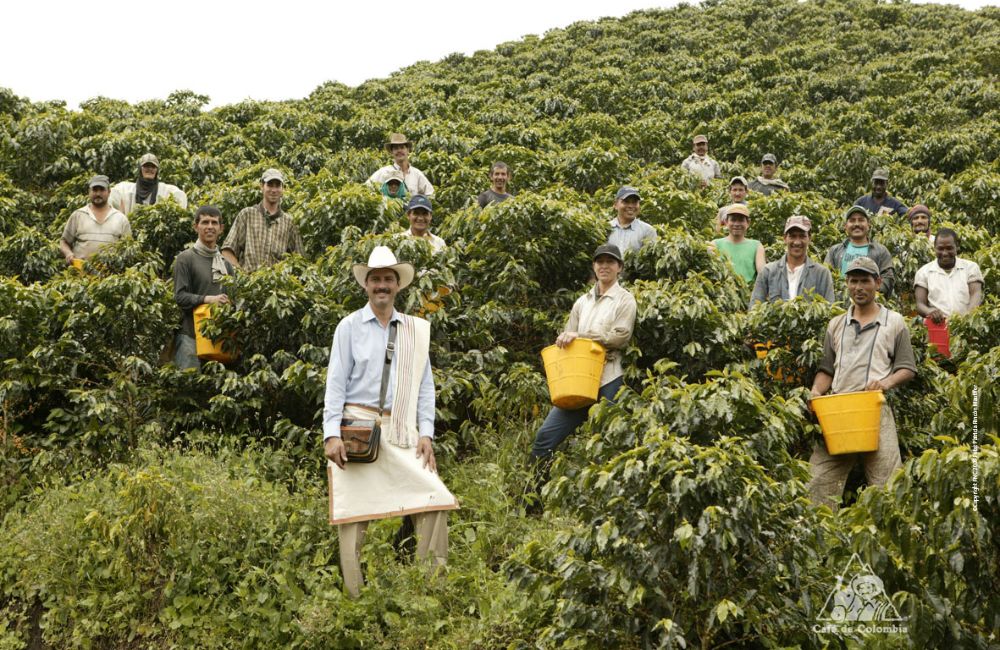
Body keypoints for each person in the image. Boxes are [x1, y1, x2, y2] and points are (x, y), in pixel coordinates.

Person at [323, 246, 458, 597]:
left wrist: (426, 433)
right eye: (375, 279)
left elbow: (425, 387)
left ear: (398, 286)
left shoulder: (414, 330)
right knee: (353, 517)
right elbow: (335, 384)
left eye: (387, 279)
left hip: (402, 431)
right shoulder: (349, 327)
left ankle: (428, 591)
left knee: (435, 499)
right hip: (359, 430)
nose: (381, 285)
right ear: (366, 285)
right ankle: (355, 599)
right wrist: (331, 435)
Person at [528, 244, 636, 507]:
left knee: (609, 443)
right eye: (600, 262)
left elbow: (620, 336)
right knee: (545, 438)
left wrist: (584, 336)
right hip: (579, 380)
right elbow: (569, 337)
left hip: (609, 378)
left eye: (611, 262)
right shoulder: (582, 302)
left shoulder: (625, 299)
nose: (605, 267)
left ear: (619, 268)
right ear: (594, 266)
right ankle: (531, 502)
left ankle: (611, 506)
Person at [808, 257, 917, 510]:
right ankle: (821, 541)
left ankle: (889, 542)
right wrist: (815, 391)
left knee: (890, 486)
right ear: (846, 284)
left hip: (875, 410)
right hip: (840, 412)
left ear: (877, 283)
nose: (859, 287)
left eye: (865, 281)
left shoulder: (895, 322)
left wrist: (884, 383)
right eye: (853, 281)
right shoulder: (835, 324)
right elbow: (826, 369)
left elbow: (907, 367)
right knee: (817, 482)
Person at [172, 206, 234, 370]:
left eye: (214, 223)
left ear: (221, 229)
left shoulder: (226, 264)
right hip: (190, 336)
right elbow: (180, 297)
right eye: (205, 222)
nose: (210, 227)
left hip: (218, 338)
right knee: (189, 385)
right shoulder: (185, 258)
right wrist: (208, 300)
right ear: (196, 226)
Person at [221, 168, 304, 272]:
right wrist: (241, 276)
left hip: (278, 286)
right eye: (270, 185)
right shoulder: (247, 215)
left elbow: (300, 261)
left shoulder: (289, 222)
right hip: (249, 285)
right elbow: (227, 251)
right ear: (262, 186)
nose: (273, 190)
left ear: (283, 189)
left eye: (277, 185)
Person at [750, 215, 835, 305]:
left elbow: (829, 309)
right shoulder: (768, 271)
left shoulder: (822, 273)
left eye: (802, 236)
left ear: (809, 238)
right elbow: (755, 307)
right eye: (792, 236)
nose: (797, 242)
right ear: (785, 238)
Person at [914, 228, 984, 323]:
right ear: (934, 248)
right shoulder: (923, 272)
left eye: (949, 248)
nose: (945, 253)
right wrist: (930, 311)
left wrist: (968, 317)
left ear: (957, 247)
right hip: (938, 328)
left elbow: (976, 294)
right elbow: (920, 304)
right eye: (940, 248)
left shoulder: (971, 268)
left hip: (966, 328)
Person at [59, 175, 132, 264]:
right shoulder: (78, 215)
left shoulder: (121, 218)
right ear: (89, 192)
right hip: (80, 272)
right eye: (95, 190)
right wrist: (68, 254)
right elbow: (64, 242)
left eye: (102, 190)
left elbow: (128, 248)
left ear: (109, 192)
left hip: (111, 274)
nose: (98, 194)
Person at [823, 206, 895, 297]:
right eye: (852, 220)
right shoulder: (834, 251)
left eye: (861, 220)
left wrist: (874, 295)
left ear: (869, 225)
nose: (856, 224)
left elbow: (888, 278)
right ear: (845, 226)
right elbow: (825, 277)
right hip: (839, 306)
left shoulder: (881, 251)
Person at [109, 153, 188, 214]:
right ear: (140, 169)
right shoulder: (126, 189)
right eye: (146, 166)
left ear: (157, 170)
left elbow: (179, 195)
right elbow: (112, 194)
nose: (149, 169)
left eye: (153, 167)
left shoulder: (165, 190)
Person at [710, 204, 765, 283]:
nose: (736, 224)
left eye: (741, 220)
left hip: (749, 292)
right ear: (726, 222)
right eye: (733, 220)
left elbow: (762, 274)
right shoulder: (715, 244)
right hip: (723, 293)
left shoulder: (756, 246)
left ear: (748, 223)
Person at [367, 133, 434, 197]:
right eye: (396, 148)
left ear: (408, 150)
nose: (399, 150)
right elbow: (366, 188)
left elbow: (430, 194)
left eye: (402, 147)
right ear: (392, 152)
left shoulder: (417, 174)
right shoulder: (384, 172)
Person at [606, 186, 657, 254]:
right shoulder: (605, 228)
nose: (630, 206)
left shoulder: (648, 231)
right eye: (626, 202)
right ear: (615, 205)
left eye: (634, 202)